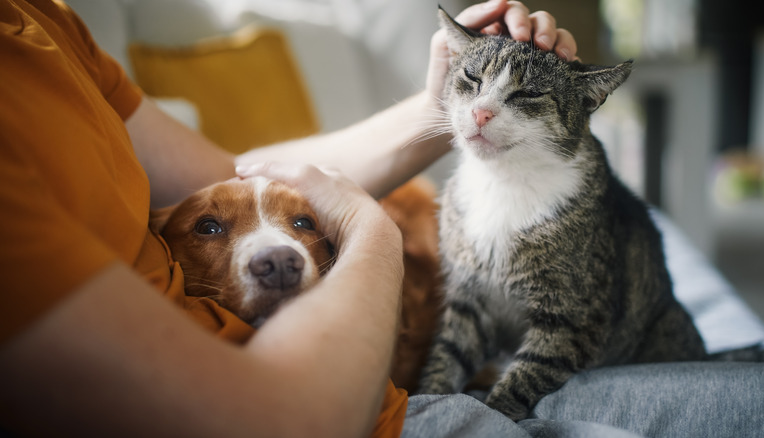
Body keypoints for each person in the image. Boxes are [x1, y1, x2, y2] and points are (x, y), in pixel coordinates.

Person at [0, 0, 576, 436]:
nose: (280, 254)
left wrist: (439, 107)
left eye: (305, 228)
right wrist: (369, 231)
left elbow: (235, 176)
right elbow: (281, 421)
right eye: (206, 229)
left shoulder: (47, 23)